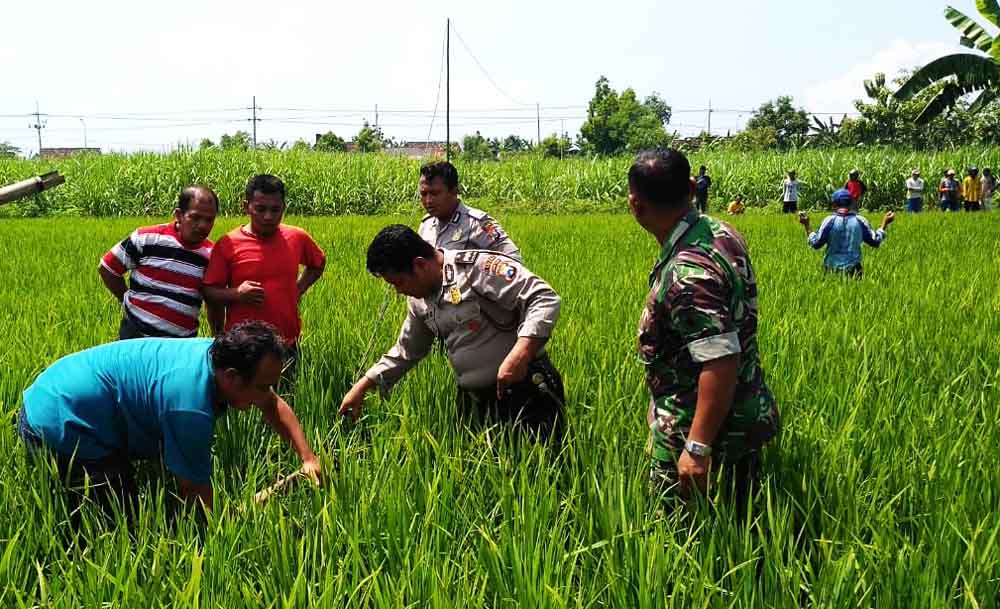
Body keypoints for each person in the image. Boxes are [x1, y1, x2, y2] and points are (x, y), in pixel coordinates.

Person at [16, 321, 322, 518]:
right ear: (232, 377)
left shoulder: (216, 355)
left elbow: (272, 404)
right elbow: (198, 500)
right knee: (118, 526)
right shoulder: (190, 407)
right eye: (263, 386)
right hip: (60, 422)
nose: (268, 393)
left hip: (57, 392)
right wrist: (253, 506)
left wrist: (308, 458)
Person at [627, 148, 779, 505]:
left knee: (680, 531)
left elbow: (720, 359)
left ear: (635, 205)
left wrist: (696, 448)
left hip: (697, 427)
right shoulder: (720, 231)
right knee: (741, 521)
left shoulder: (687, 274)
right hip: (743, 412)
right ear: (693, 188)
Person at [339, 225, 564, 440]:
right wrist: (363, 386)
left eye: (399, 282)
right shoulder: (419, 301)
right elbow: (407, 351)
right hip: (475, 401)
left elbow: (544, 298)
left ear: (419, 265)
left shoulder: (476, 269)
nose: (398, 291)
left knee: (538, 462)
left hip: (525, 389)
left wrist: (521, 354)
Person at [202, 175, 326, 379]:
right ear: (246, 206)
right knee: (242, 398)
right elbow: (209, 292)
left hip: (286, 343)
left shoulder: (297, 237)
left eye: (275, 210)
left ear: (284, 208)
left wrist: (298, 289)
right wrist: (237, 294)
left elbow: (318, 263)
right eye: (260, 209)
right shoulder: (228, 244)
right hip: (242, 346)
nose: (268, 216)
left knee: (289, 394)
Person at [98, 186, 222, 339]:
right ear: (179, 215)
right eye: (195, 217)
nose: (202, 225)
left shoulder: (211, 255)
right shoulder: (147, 238)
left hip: (180, 344)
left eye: (209, 220)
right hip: (135, 336)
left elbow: (213, 301)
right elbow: (107, 267)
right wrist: (125, 299)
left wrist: (217, 337)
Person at [417, 161, 521, 261]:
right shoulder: (426, 225)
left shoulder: (477, 224)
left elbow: (513, 258)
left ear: (454, 191)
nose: (428, 200)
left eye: (435, 193)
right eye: (423, 194)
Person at [799, 188, 894, 277]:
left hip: (831, 270)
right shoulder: (860, 221)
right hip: (854, 271)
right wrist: (884, 223)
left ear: (834, 205)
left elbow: (816, 244)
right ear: (851, 204)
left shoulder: (829, 221)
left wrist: (807, 225)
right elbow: (875, 241)